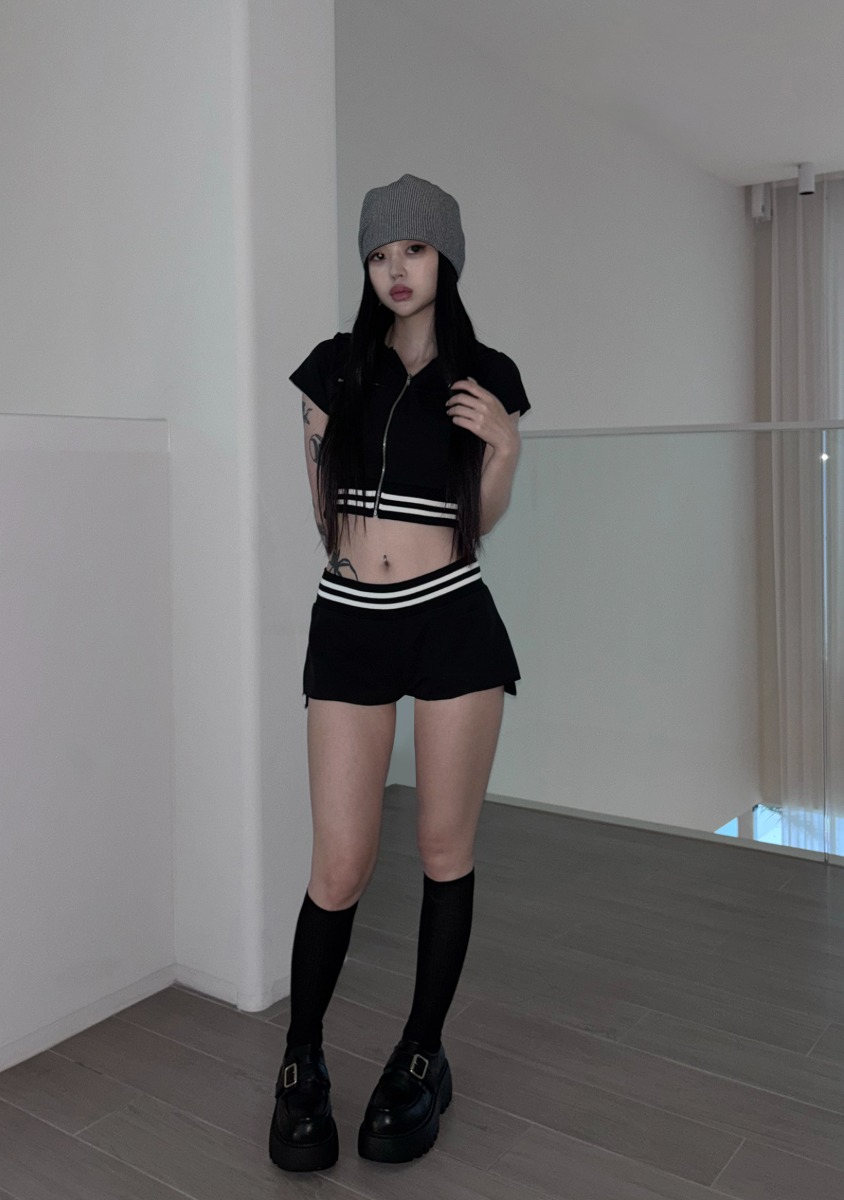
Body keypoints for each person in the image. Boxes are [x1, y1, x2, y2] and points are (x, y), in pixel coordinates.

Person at [269, 174, 531, 1172]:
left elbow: (478, 522)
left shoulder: (487, 374)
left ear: (444, 257)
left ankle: (422, 1054)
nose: (396, 270)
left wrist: (504, 450)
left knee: (442, 848)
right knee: (339, 864)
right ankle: (301, 1061)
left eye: (413, 250)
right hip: (351, 622)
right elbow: (325, 518)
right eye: (380, 255)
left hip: (452, 616)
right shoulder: (333, 370)